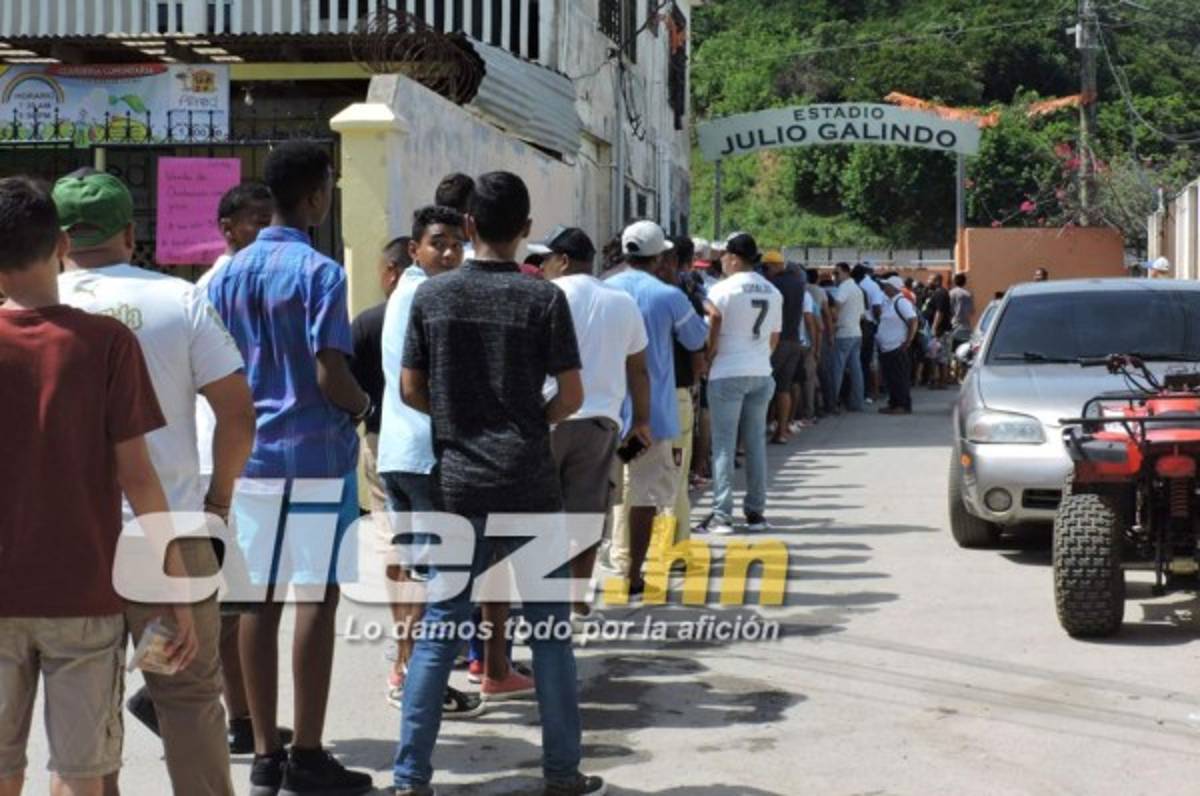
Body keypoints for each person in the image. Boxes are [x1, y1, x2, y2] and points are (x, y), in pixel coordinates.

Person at [393, 172, 605, 796]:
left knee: (438, 634)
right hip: (530, 484)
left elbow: (409, 389)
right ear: (526, 230)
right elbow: (571, 396)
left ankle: (410, 778)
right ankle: (562, 772)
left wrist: (463, 423)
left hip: (458, 484)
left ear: (468, 227)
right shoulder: (544, 299)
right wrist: (524, 424)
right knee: (549, 637)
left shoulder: (432, 298)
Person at [54, 171, 251, 795]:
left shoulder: (29, 308)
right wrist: (217, 502)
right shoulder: (181, 300)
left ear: (59, 240)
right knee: (187, 696)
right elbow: (238, 415)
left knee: (84, 702)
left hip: (71, 545)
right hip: (168, 538)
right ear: (132, 234)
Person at [0, 176, 198, 796]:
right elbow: (140, 479)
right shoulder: (107, 344)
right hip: (83, 595)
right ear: (62, 244)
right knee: (83, 774)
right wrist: (178, 593)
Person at [207, 141, 374, 796]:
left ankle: (264, 752)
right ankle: (307, 752)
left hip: (251, 454)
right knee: (316, 598)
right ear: (314, 197)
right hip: (314, 452)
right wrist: (362, 406)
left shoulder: (226, 275)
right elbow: (332, 372)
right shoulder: (321, 274)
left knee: (257, 601)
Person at [376, 207, 484, 716]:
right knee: (439, 580)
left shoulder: (405, 292)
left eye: (457, 244)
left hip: (401, 452)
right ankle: (420, 684)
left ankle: (405, 672)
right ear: (414, 249)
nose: (449, 253)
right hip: (427, 453)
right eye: (438, 243)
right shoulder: (429, 295)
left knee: (414, 571)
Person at [191, 180, 280, 756]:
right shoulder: (214, 287)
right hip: (215, 460)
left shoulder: (256, 281)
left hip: (237, 457)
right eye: (254, 222)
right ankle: (200, 704)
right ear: (227, 228)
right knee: (224, 603)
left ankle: (242, 717)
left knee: (235, 600)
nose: (264, 233)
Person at [535, 225, 651, 613]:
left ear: (562, 260)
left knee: (539, 515)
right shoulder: (621, 301)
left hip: (548, 417)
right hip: (602, 423)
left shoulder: (546, 296)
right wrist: (642, 421)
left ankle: (541, 596)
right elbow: (639, 369)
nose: (543, 267)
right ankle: (577, 598)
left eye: (547, 259)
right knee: (586, 517)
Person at [606, 220, 709, 594]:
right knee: (645, 493)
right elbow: (697, 337)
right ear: (660, 255)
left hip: (609, 412)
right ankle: (634, 572)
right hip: (652, 415)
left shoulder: (606, 287)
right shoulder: (668, 296)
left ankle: (611, 559)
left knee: (613, 488)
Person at [694, 232, 782, 536]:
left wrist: (708, 358)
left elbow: (711, 331)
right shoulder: (772, 291)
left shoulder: (721, 290)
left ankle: (722, 515)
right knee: (755, 442)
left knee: (723, 445)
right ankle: (756, 512)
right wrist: (758, 358)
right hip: (760, 370)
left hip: (727, 371)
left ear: (732, 257)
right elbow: (774, 336)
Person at [658, 235, 710, 540]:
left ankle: (623, 552)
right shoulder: (680, 298)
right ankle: (674, 544)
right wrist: (697, 374)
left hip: (634, 411)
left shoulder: (619, 291)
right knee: (675, 474)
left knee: (629, 473)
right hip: (673, 403)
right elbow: (697, 344)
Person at [764, 251, 814, 444]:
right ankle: (782, 431)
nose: (765, 271)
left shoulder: (774, 285)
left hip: (778, 341)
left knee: (765, 387)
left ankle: (756, 430)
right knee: (784, 388)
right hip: (794, 340)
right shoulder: (799, 286)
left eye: (766, 267)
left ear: (774, 266)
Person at [197, 181, 274, 292]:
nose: (272, 231)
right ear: (227, 228)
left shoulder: (275, 276)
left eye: (275, 224)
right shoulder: (211, 285)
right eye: (263, 223)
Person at [877, 275, 919, 415]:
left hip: (897, 347)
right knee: (891, 378)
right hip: (888, 348)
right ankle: (894, 403)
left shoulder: (901, 302)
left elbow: (913, 320)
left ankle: (902, 405)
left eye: (886, 286)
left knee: (899, 377)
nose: (884, 288)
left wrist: (908, 341)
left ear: (893, 288)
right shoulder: (890, 302)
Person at [830, 262, 866, 412]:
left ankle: (832, 403)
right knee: (856, 369)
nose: (834, 277)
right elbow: (863, 315)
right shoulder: (857, 289)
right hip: (856, 332)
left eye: (836, 273)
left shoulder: (844, 287)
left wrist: (832, 325)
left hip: (843, 333)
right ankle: (857, 403)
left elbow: (836, 309)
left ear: (845, 273)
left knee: (837, 369)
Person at [854, 264, 884, 403]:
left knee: (864, 361)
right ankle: (867, 392)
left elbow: (876, 308)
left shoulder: (868, 286)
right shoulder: (872, 286)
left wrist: (877, 321)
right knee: (865, 361)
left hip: (866, 325)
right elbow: (876, 308)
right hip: (867, 325)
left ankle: (868, 392)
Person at [925, 274, 953, 388]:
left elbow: (939, 312)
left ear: (937, 281)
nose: (927, 282)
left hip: (941, 331)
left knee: (942, 357)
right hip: (937, 330)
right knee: (935, 356)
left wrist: (934, 328)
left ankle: (942, 382)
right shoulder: (936, 293)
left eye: (930, 280)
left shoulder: (941, 293)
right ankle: (936, 380)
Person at [948, 272, 975, 381]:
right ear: (965, 282)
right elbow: (972, 311)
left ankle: (952, 376)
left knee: (952, 352)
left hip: (953, 325)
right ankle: (962, 375)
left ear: (955, 281)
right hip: (966, 326)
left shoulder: (950, 293)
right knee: (964, 352)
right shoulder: (968, 294)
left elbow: (948, 310)